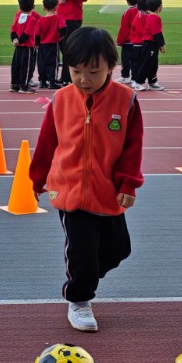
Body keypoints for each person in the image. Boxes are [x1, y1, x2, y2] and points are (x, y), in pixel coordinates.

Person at [28, 27, 143, 334]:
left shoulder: (126, 101)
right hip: (69, 190)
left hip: (108, 191)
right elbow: (47, 143)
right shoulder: (61, 100)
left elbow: (133, 147)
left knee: (119, 249)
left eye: (93, 72)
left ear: (111, 67)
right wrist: (37, 179)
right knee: (82, 252)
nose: (83, 79)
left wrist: (129, 184)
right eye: (76, 71)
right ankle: (78, 299)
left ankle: (86, 274)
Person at [132, 0, 165, 92]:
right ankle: (139, 82)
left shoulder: (151, 16)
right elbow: (156, 33)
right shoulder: (154, 18)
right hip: (150, 44)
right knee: (147, 64)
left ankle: (152, 82)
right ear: (159, 7)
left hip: (151, 44)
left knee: (153, 64)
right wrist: (162, 44)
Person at [9, 0, 41, 93]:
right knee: (26, 66)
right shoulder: (31, 19)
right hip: (27, 46)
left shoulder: (18, 16)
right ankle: (24, 86)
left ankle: (15, 84)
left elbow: (13, 29)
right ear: (33, 7)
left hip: (18, 46)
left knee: (16, 65)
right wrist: (19, 40)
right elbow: (27, 33)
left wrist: (14, 39)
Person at [36, 0, 62, 89]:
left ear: (44, 7)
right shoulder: (58, 18)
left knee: (42, 63)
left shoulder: (40, 20)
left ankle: (42, 81)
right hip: (53, 44)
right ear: (56, 7)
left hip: (42, 44)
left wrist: (36, 43)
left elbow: (37, 34)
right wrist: (60, 37)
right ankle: (52, 81)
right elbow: (63, 29)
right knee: (53, 63)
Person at [115, 0, 141, 82]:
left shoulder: (128, 12)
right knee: (135, 60)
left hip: (128, 42)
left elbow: (124, 28)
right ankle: (135, 77)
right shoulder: (141, 11)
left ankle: (125, 76)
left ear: (127, 0)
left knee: (126, 60)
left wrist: (119, 41)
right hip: (138, 42)